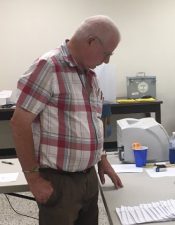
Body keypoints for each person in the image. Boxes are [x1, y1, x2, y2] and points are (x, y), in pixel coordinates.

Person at [10, 15, 123, 225]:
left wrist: (103, 159)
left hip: (88, 178)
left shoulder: (89, 74)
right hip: (59, 181)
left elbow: (93, 122)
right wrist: (33, 179)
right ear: (91, 41)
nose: (107, 61)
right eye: (106, 53)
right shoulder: (49, 66)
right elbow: (19, 123)